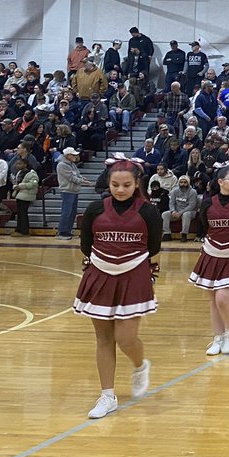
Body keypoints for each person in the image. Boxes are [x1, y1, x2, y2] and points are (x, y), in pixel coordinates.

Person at [72, 159, 161, 419]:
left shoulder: (148, 212)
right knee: (103, 338)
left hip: (134, 276)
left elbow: (153, 247)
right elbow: (86, 244)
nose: (120, 190)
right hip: (100, 275)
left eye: (126, 185)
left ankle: (140, 365)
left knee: (126, 338)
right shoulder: (95, 208)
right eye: (115, 185)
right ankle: (107, 395)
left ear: (136, 184)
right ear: (108, 183)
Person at [190, 164, 229, 356]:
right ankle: (218, 337)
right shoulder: (208, 203)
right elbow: (203, 226)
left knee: (223, 298)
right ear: (220, 182)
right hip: (212, 254)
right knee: (213, 299)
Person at [55, 146, 90, 239]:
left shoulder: (72, 164)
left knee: (72, 212)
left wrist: (82, 178)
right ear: (68, 155)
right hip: (67, 191)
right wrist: (83, 182)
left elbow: (77, 174)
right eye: (73, 155)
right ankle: (62, 232)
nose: (75, 156)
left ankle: (68, 231)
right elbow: (71, 178)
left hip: (74, 191)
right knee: (66, 212)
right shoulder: (62, 165)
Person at [166, 174, 199, 241]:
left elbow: (191, 206)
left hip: (190, 212)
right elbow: (171, 203)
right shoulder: (175, 191)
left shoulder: (193, 192)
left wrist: (180, 212)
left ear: (188, 183)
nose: (183, 184)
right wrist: (173, 211)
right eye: (181, 182)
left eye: (185, 182)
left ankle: (184, 234)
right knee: (165, 214)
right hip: (176, 212)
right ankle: (167, 234)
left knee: (186, 214)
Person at [10, 158, 38, 236]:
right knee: (20, 213)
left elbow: (34, 183)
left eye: (19, 164)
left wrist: (21, 186)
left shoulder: (31, 173)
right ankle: (19, 229)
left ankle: (24, 231)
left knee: (23, 213)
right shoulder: (19, 172)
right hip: (19, 194)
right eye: (17, 164)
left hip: (26, 195)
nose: (17, 165)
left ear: (25, 164)